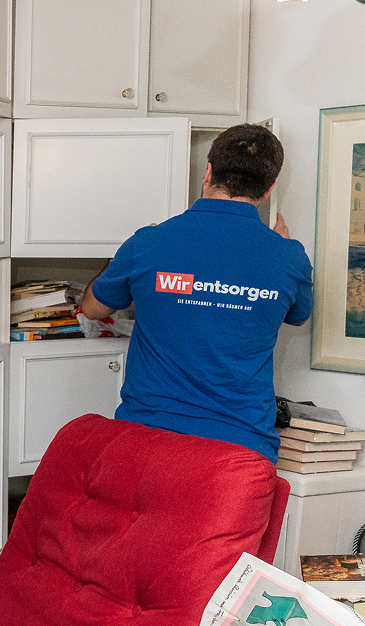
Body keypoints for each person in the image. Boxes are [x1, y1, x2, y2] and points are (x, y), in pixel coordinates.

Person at [80, 123, 313, 465]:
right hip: (240, 451)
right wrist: (278, 248)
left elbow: (92, 308)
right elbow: (299, 315)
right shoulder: (289, 256)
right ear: (268, 189)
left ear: (208, 172)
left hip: (148, 440)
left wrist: (125, 260)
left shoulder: (148, 242)